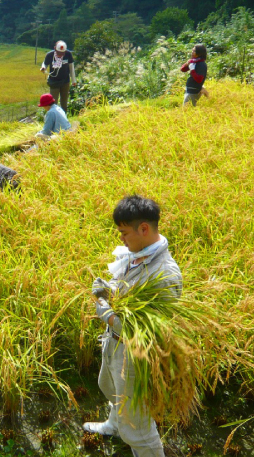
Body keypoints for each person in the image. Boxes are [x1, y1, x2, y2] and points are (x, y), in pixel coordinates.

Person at [83, 195, 182, 457]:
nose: (121, 240)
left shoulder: (165, 274)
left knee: (136, 427)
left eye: (124, 233)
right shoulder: (136, 254)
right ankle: (114, 425)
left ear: (144, 229)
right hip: (114, 344)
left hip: (135, 356)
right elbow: (126, 291)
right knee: (110, 387)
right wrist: (109, 289)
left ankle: (140, 444)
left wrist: (107, 313)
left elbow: (146, 332)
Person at [40, 41, 76, 113]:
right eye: (59, 53)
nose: (60, 55)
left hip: (65, 82)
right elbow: (45, 64)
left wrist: (73, 81)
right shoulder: (50, 55)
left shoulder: (68, 54)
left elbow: (71, 68)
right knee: (53, 103)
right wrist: (43, 68)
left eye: (62, 53)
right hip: (54, 82)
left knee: (64, 102)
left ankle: (64, 118)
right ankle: (54, 118)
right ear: (55, 49)